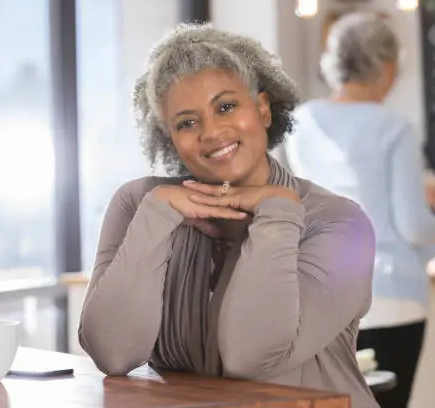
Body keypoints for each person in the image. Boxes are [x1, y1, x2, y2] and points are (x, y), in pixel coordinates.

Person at [78, 22, 379, 408]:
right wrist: (156, 216)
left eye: (226, 107)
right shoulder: (140, 203)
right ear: (170, 138)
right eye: (186, 122)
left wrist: (278, 212)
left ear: (263, 109)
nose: (212, 131)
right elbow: (113, 353)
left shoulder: (341, 223)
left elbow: (250, 357)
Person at [284, 11, 435, 408]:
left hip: (321, 296)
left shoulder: (302, 122)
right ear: (388, 66)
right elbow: (413, 228)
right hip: (390, 295)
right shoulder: (393, 128)